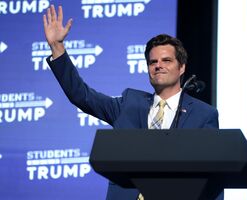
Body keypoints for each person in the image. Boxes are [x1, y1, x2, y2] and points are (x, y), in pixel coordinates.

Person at [43, 5, 223, 200]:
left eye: (166, 60)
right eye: (153, 62)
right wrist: (57, 47)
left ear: (181, 68)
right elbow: (81, 95)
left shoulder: (204, 115)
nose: (158, 66)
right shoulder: (128, 104)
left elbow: (212, 177)